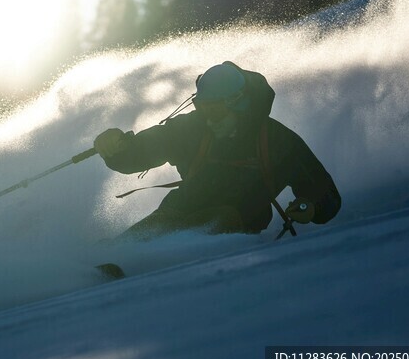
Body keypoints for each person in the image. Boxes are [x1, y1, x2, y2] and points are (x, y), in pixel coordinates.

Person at [93, 61, 341, 239]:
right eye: (203, 109)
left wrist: (311, 207)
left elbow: (324, 193)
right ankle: (113, 260)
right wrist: (116, 150)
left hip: (236, 229)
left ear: (238, 103)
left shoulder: (278, 141)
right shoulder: (193, 128)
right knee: (158, 225)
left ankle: (148, 259)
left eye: (216, 111)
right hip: (176, 212)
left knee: (218, 217)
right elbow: (145, 149)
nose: (209, 119)